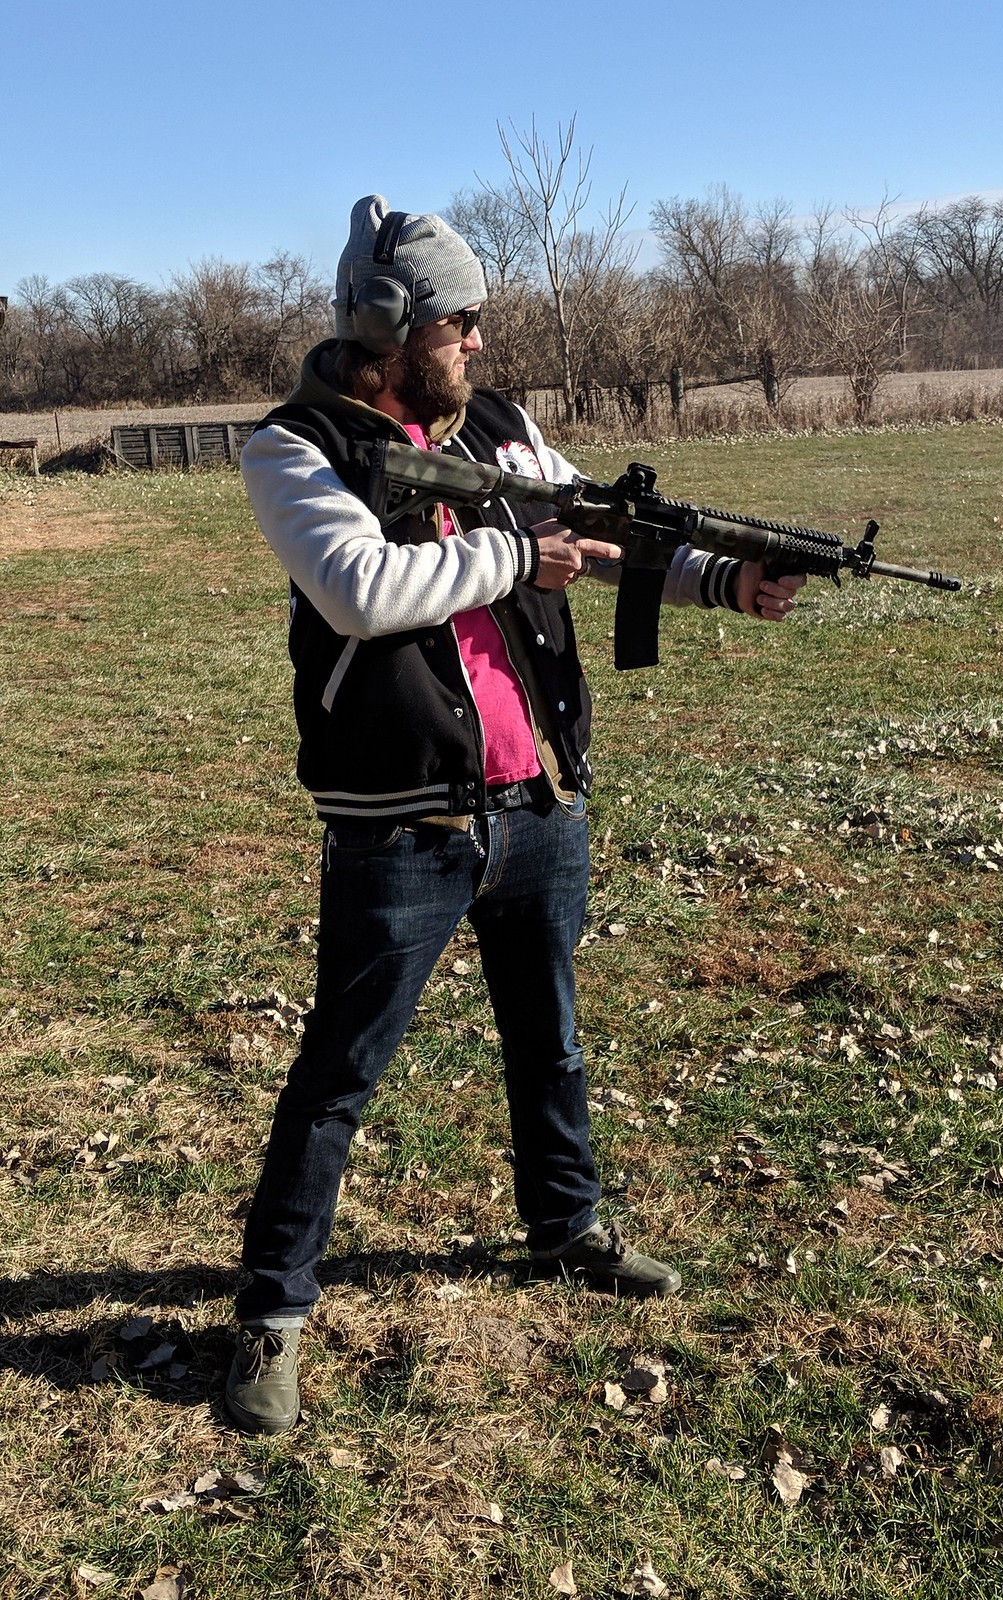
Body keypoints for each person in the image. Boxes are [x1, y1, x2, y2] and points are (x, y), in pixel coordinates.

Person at [226, 195, 802, 1434]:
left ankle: (567, 1224)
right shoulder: (296, 447)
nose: (480, 341)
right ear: (392, 325)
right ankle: (272, 1310)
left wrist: (726, 578)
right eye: (461, 321)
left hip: (536, 798)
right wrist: (511, 556)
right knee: (339, 1076)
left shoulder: (496, 426)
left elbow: (599, 531)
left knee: (551, 1039)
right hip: (401, 821)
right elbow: (359, 588)